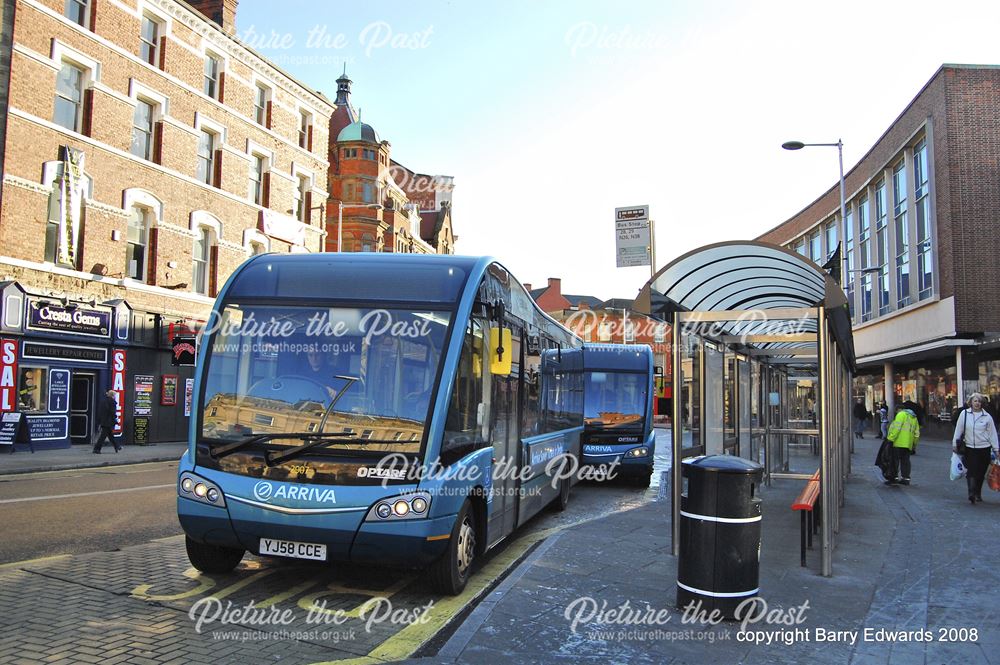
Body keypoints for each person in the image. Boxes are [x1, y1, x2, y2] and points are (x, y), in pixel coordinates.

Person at [952, 393, 1000, 504]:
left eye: (979, 401)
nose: (977, 403)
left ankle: (978, 492)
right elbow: (958, 430)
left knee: (981, 472)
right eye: (975, 401)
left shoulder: (987, 417)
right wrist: (954, 443)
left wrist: (996, 449)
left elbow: (992, 434)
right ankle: (971, 493)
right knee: (972, 471)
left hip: (984, 448)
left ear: (982, 403)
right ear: (971, 403)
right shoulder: (964, 414)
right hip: (970, 448)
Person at [885, 401, 920, 485]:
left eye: (896, 411)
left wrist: (890, 439)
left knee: (895, 461)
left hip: (898, 442)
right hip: (908, 444)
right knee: (906, 461)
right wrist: (914, 444)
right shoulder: (914, 417)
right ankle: (906, 478)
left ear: (898, 410)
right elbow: (917, 433)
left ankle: (894, 477)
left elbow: (896, 428)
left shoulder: (900, 415)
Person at [93, 389, 120, 454]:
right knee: (103, 436)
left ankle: (117, 446)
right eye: (115, 395)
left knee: (110, 435)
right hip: (109, 421)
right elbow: (112, 412)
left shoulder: (103, 401)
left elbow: (101, 412)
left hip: (104, 420)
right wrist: (115, 418)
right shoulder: (112, 402)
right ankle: (97, 449)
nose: (115, 396)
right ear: (112, 396)